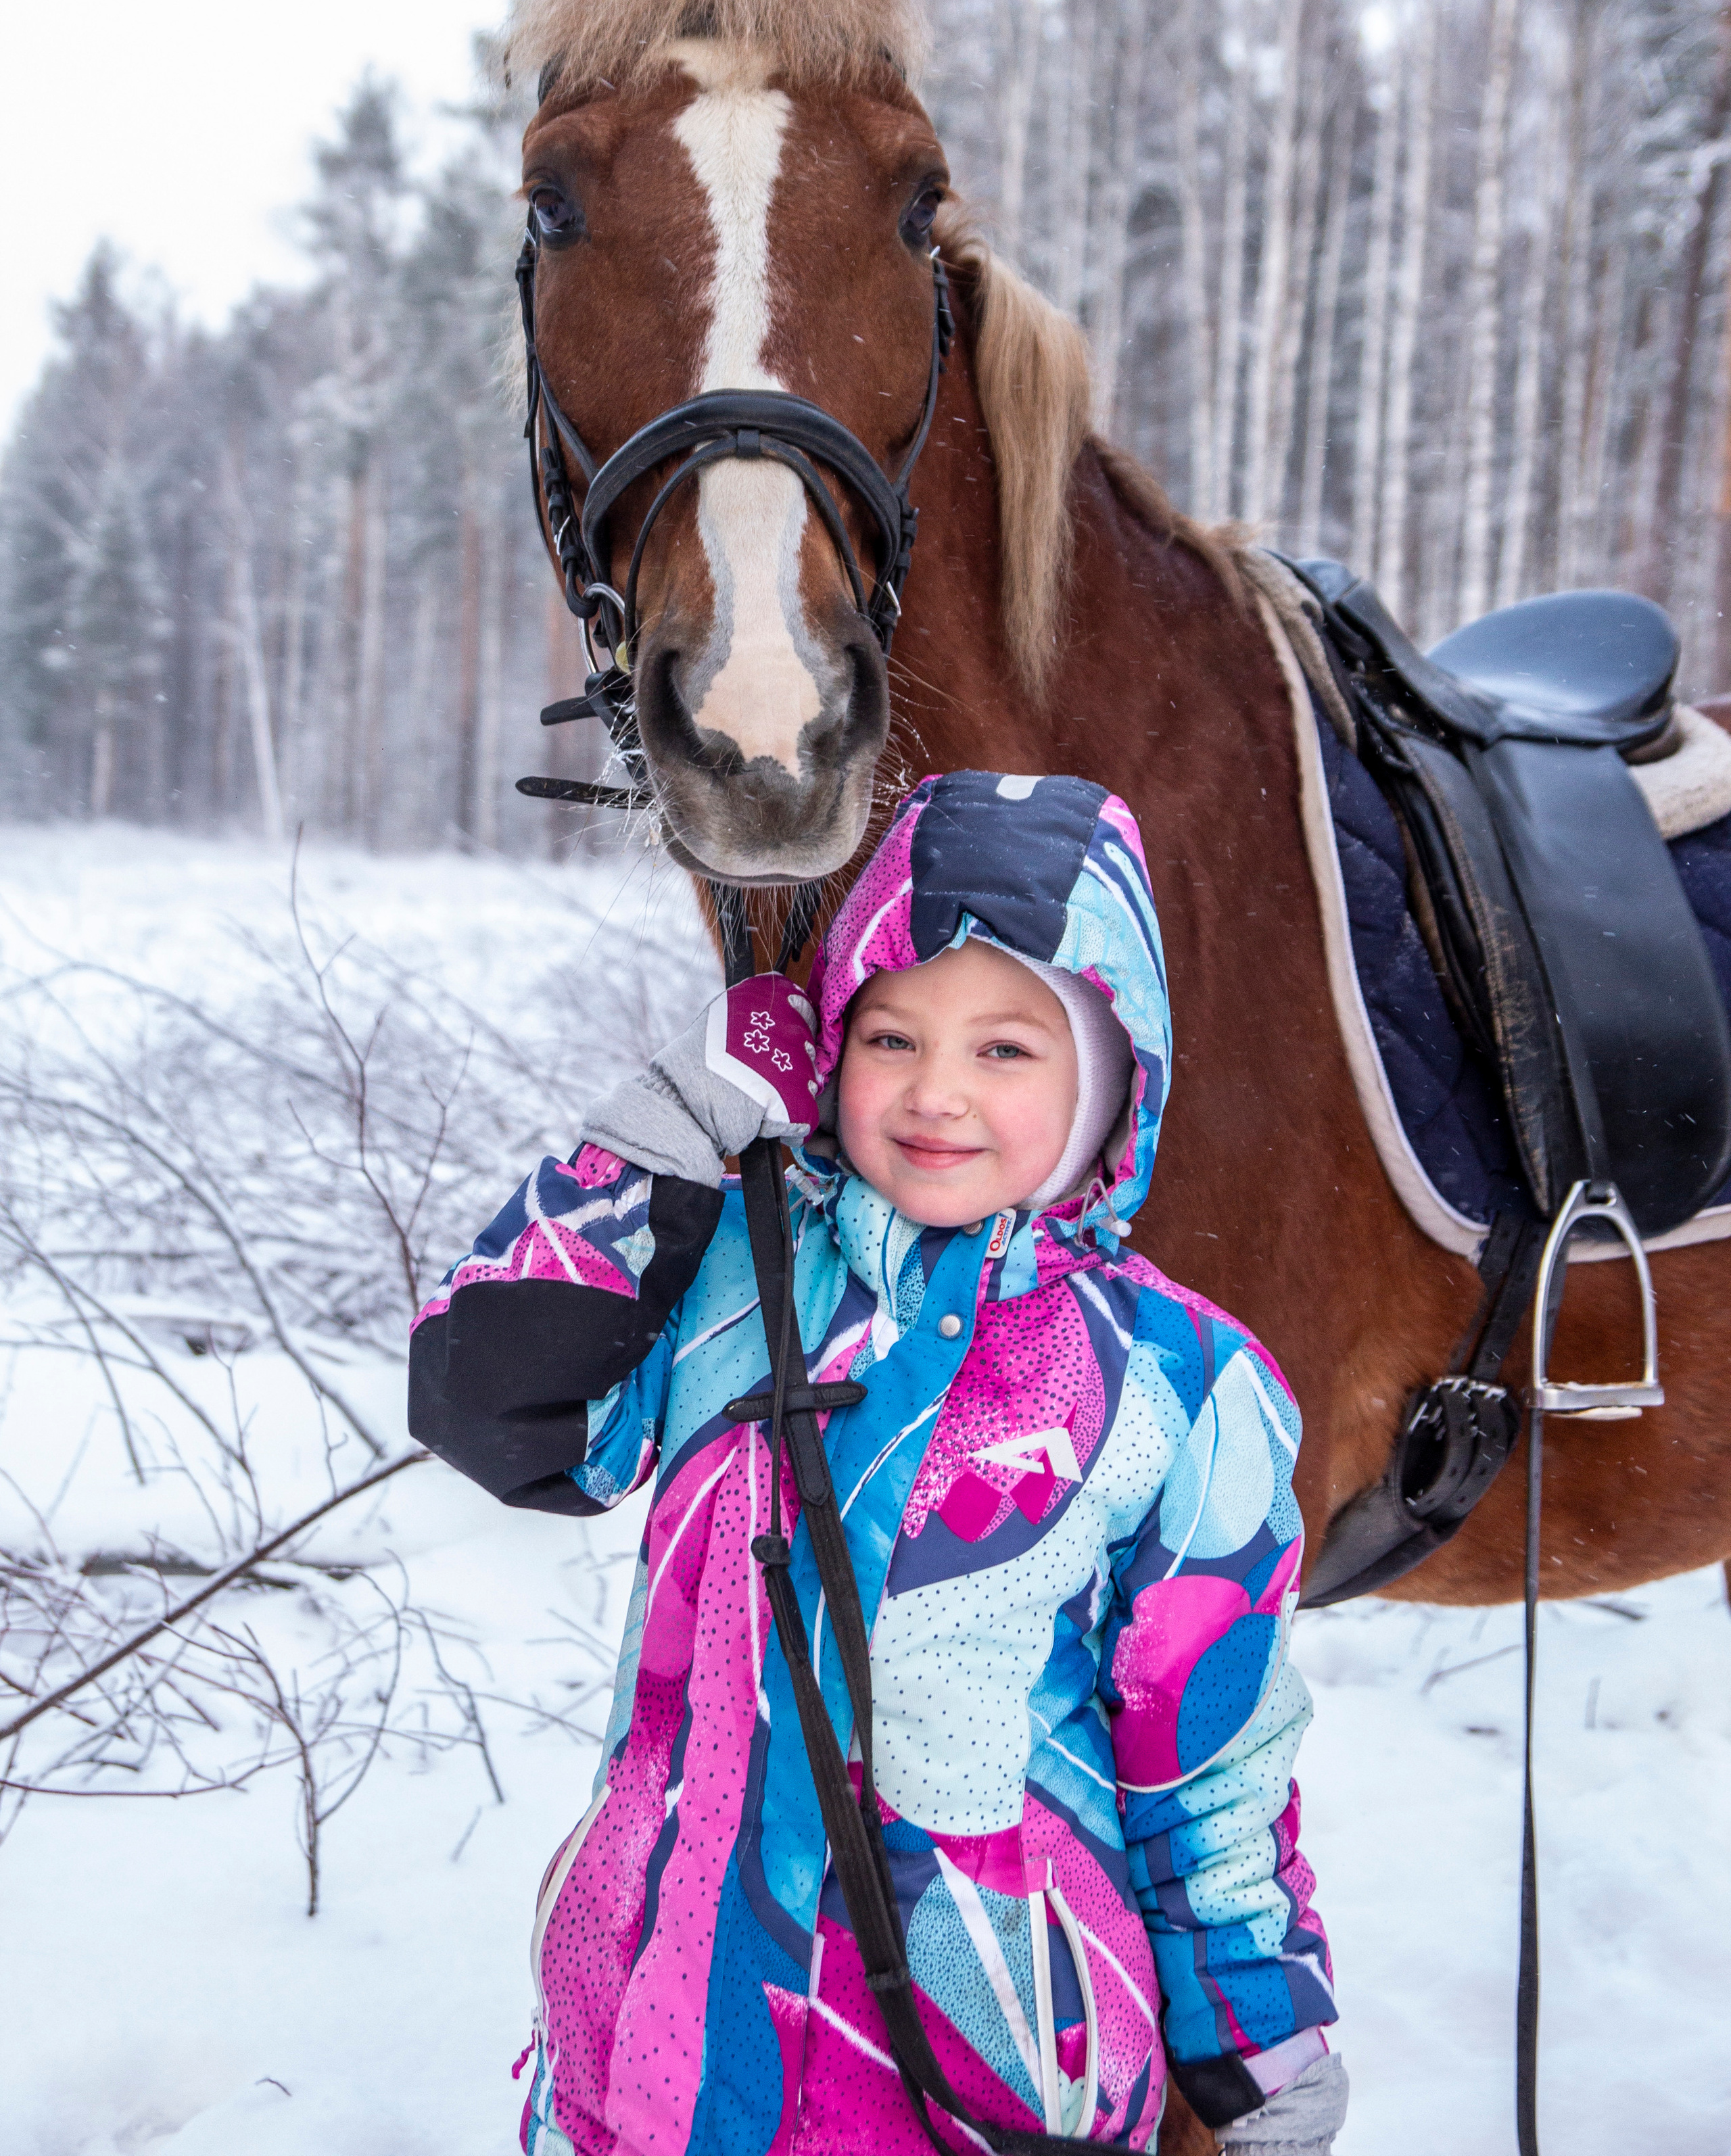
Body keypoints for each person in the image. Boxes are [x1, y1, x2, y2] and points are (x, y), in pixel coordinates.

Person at [410, 771, 1345, 2156]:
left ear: (1111, 1077)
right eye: (889, 1035)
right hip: (658, 2043)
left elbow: (1206, 1757)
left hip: (983, 2072)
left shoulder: (1180, 1381)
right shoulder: (734, 1272)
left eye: (1006, 1049)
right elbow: (493, 1410)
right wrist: (657, 1140)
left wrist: (1258, 2032)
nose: (935, 1093)